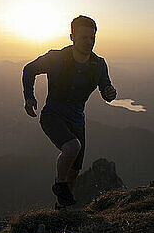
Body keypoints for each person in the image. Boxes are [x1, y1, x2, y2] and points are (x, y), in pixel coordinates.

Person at [22, 15, 117, 208]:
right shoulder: (56, 58)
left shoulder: (98, 65)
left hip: (77, 121)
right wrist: (29, 97)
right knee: (72, 147)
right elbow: (29, 70)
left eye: (92, 38)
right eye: (84, 38)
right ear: (72, 37)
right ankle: (59, 184)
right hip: (52, 115)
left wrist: (109, 93)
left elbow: (106, 88)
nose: (89, 42)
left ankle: (63, 207)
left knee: (74, 170)